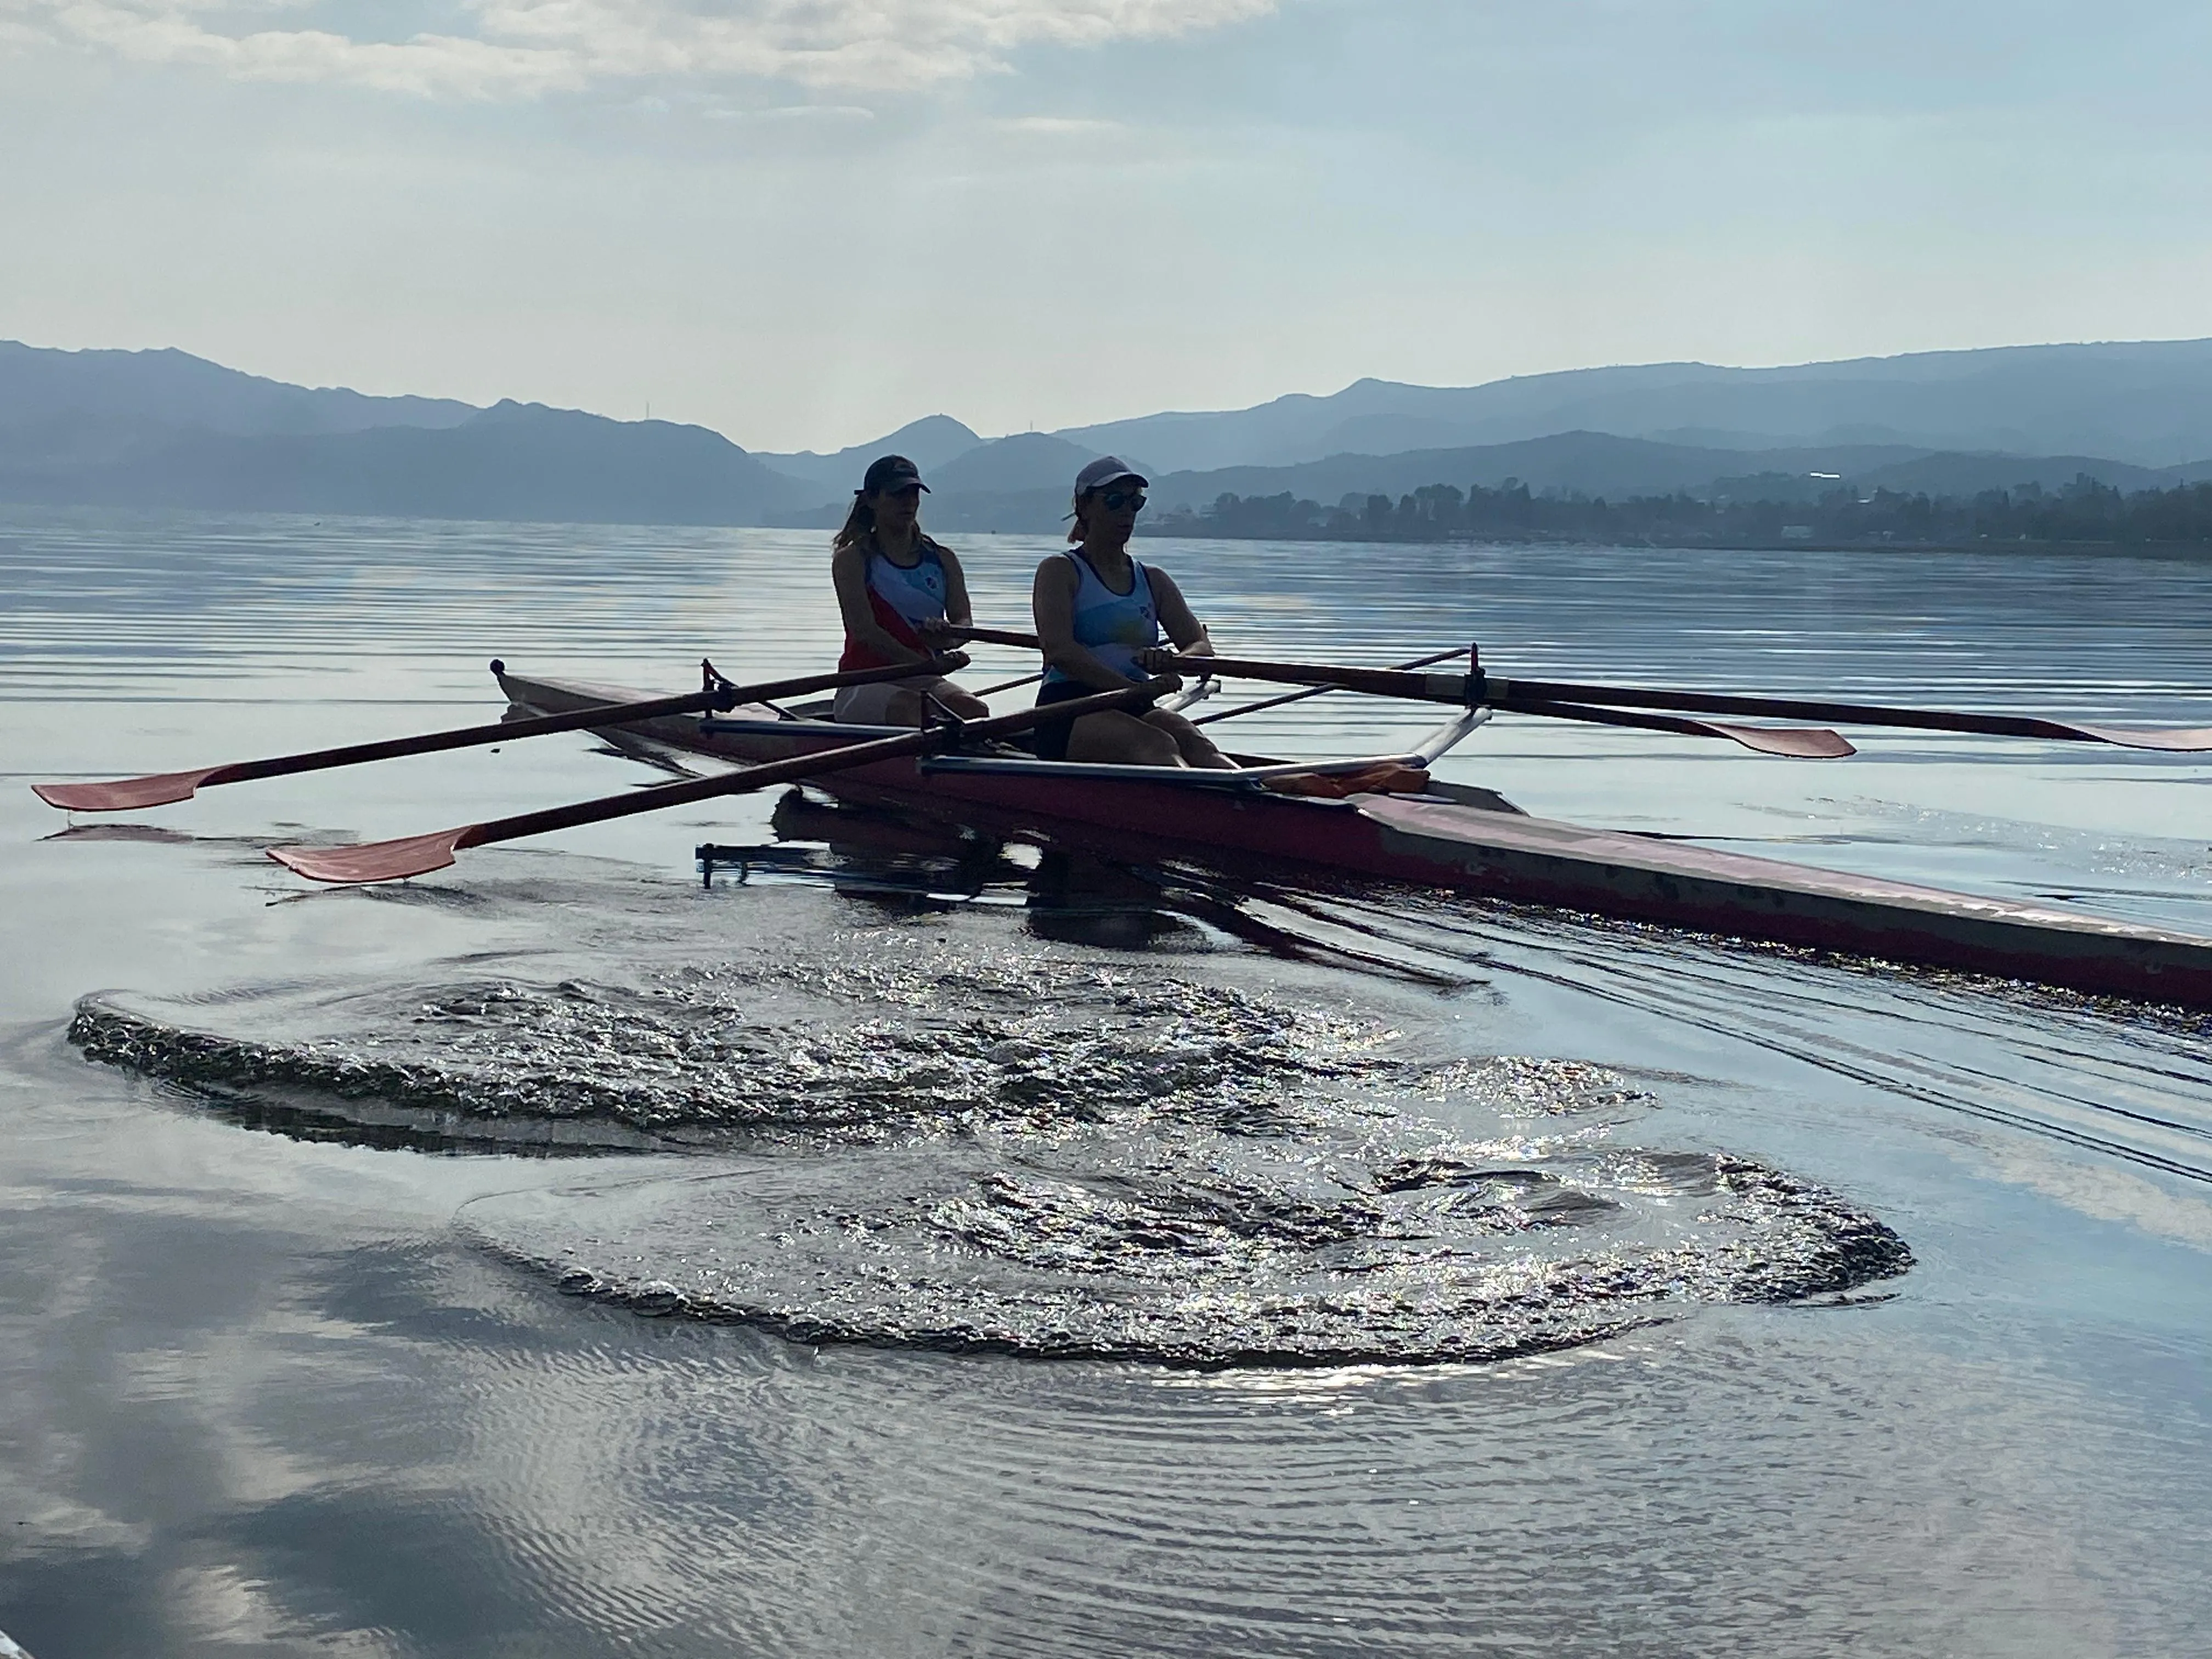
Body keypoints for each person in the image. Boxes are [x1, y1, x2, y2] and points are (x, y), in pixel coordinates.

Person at [1030, 456, 1232, 768]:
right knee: (1157, 745)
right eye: (1114, 500)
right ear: (1084, 507)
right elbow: (1060, 651)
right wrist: (1133, 689)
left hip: (1135, 700)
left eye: (1134, 502)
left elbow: (1202, 649)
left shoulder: (1154, 579)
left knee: (1201, 747)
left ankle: (1268, 798)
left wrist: (1171, 661)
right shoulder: (1059, 571)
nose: (1126, 511)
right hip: (1067, 707)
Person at [830, 455, 991, 725]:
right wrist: (926, 664)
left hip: (924, 678)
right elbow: (865, 632)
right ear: (871, 499)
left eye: (913, 492)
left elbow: (964, 622)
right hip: (862, 680)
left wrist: (948, 639)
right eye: (897, 493)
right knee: (915, 711)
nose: (908, 501)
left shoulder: (943, 559)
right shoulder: (852, 560)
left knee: (975, 710)